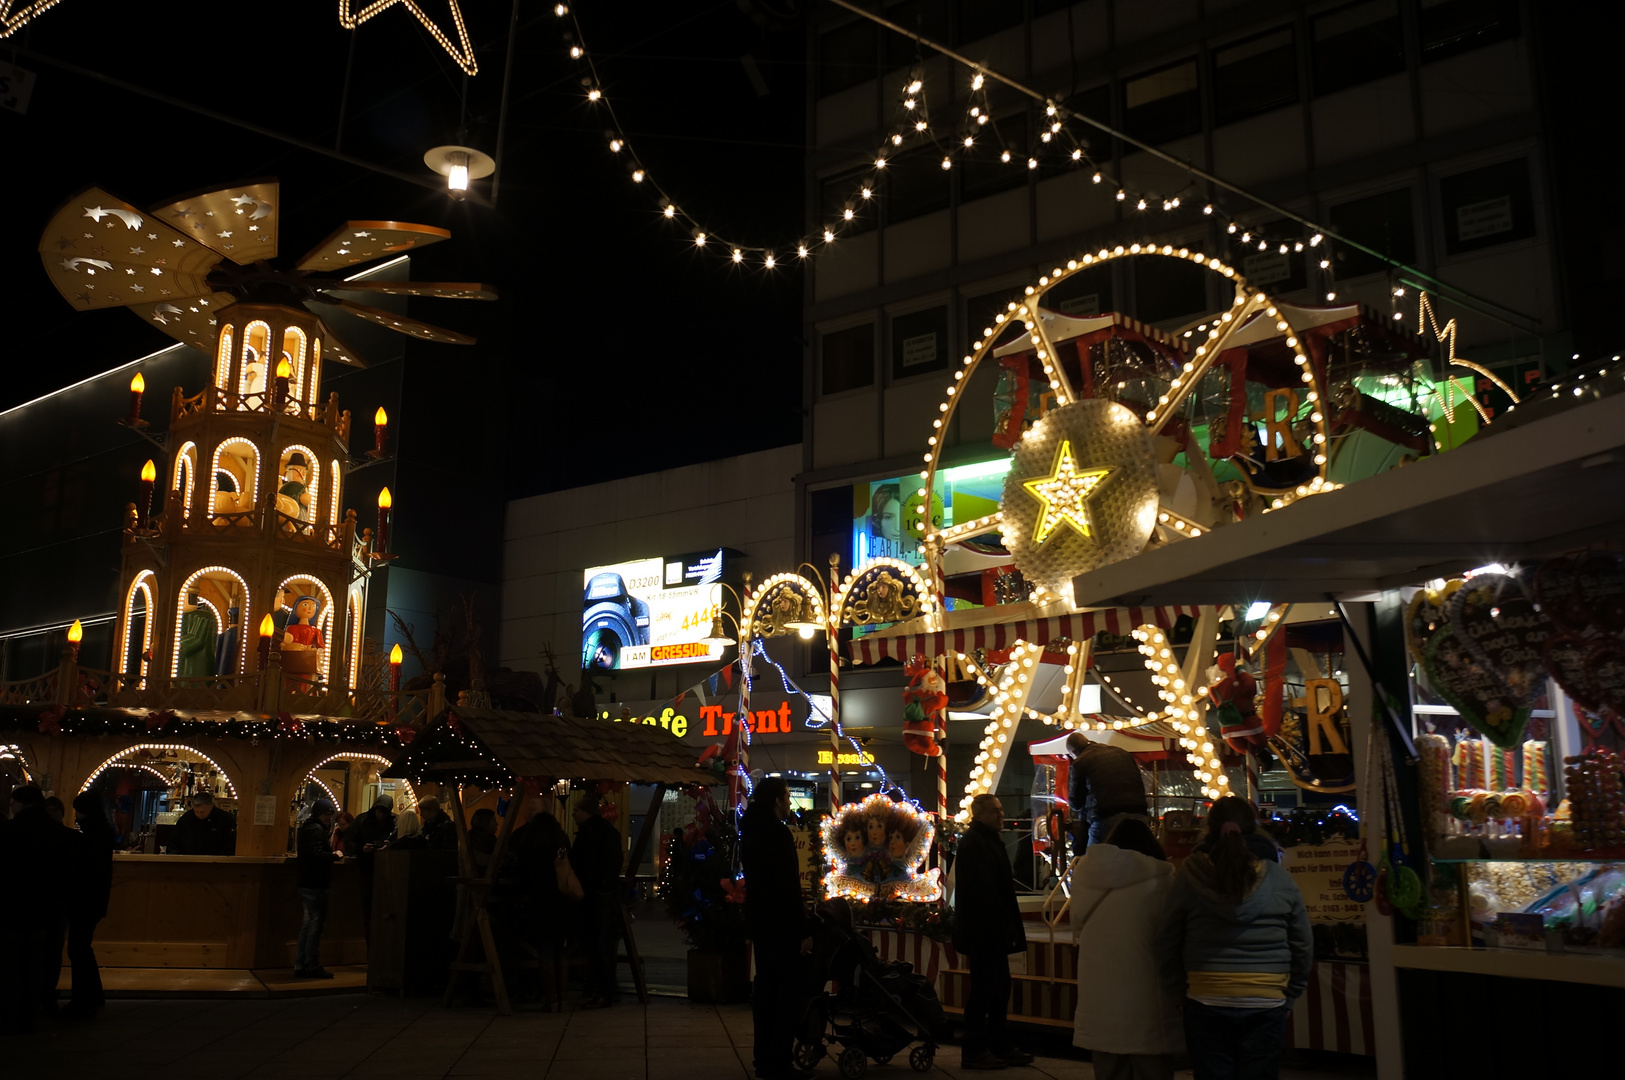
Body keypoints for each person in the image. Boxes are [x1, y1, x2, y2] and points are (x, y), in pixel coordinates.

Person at [1159, 797, 1313, 1080]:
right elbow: (1302, 943)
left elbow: (1168, 938)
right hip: (1267, 999)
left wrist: (1178, 991)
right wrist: (1291, 995)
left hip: (1205, 997)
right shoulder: (1279, 878)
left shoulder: (1189, 875)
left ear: (1208, 829)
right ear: (1254, 829)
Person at [1070, 818, 1183, 1080]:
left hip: (1099, 1000)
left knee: (1109, 1070)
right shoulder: (1161, 884)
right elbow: (1171, 939)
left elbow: (1077, 927)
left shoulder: (1087, 880)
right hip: (1146, 1001)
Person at [740, 778, 817, 1080]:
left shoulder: (750, 831)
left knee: (765, 990)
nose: (789, 803)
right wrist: (802, 928)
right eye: (786, 797)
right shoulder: (777, 833)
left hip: (761, 921)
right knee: (786, 995)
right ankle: (779, 1061)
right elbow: (787, 885)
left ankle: (763, 1059)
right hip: (782, 924)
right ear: (777, 800)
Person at [951, 794, 1033, 1070]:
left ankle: (999, 1044)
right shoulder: (976, 844)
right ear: (981, 815)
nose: (1001, 815)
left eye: (1001, 810)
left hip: (991, 930)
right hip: (984, 931)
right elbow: (983, 891)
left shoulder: (986, 841)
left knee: (998, 987)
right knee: (986, 989)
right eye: (995, 811)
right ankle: (975, 1049)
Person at [1, 785, 73, 1031]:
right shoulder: (60, 835)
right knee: (43, 960)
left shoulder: (9, 831)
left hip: (12, 908)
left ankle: (12, 1011)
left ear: (19, 804)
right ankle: (36, 1007)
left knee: (12, 962)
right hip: (50, 909)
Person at [509, 793, 574, 1004]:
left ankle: (549, 997)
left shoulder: (529, 841)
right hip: (562, 899)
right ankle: (562, 995)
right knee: (560, 948)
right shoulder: (561, 839)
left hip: (539, 898)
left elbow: (522, 871)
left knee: (545, 948)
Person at [65, 792, 117, 1019]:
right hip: (95, 899)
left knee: (78, 949)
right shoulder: (102, 831)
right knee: (81, 948)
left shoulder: (90, 834)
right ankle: (91, 999)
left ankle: (85, 1000)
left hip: (84, 898)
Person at [570, 790, 623, 1008]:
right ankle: (605, 990)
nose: (573, 814)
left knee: (598, 945)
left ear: (586, 812)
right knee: (601, 946)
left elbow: (597, 863)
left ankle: (605, 991)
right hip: (600, 893)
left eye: (576, 810)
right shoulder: (603, 832)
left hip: (595, 895)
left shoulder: (591, 834)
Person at [1065, 731, 1150, 853]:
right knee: (1136, 859)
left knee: (1094, 863)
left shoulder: (1080, 762)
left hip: (1107, 816)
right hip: (1139, 813)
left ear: (1073, 753)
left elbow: (1075, 803)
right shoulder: (1122, 753)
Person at [296, 798, 343, 979]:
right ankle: (311, 965)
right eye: (326, 814)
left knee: (308, 925)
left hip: (307, 882)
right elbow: (316, 855)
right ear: (318, 814)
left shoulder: (308, 828)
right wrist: (334, 856)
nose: (329, 818)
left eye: (330, 815)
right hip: (316, 883)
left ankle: (301, 964)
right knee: (315, 926)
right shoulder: (316, 830)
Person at [343, 794, 396, 940]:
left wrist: (389, 846)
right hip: (370, 871)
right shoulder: (363, 821)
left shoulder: (391, 822)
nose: (380, 815)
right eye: (379, 811)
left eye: (383, 812)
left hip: (384, 872)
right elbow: (348, 843)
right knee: (370, 912)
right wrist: (362, 848)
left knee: (382, 912)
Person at [171, 792, 237, 855]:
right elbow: (174, 842)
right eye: (196, 811)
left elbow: (230, 845)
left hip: (217, 862)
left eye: (202, 812)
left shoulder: (225, 819)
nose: (199, 814)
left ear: (211, 807)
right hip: (189, 861)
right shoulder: (186, 818)